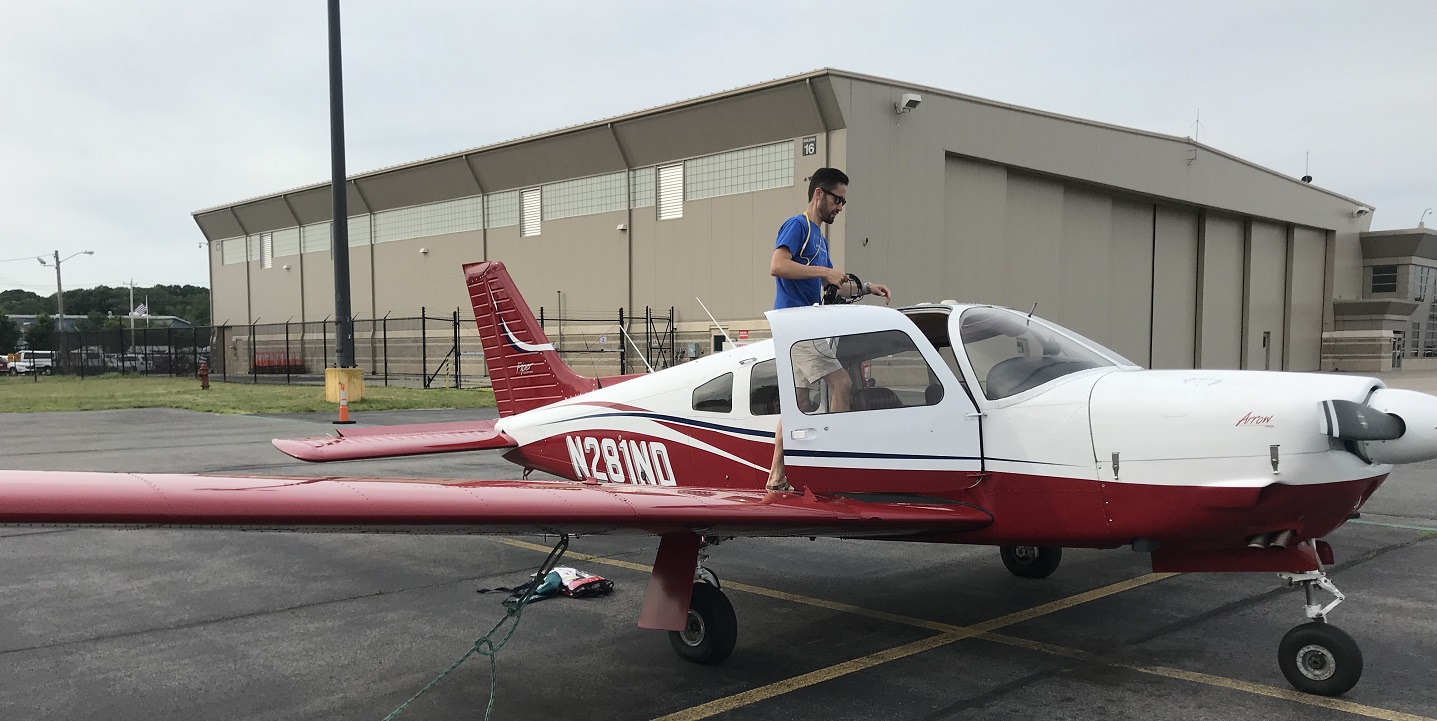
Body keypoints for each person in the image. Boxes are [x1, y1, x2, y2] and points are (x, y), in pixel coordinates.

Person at [765, 167, 891, 491]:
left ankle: (776, 477)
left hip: (805, 328)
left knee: (801, 405)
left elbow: (835, 283)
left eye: (844, 203)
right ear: (819, 194)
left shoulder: (819, 239)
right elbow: (777, 265)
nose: (839, 207)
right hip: (795, 327)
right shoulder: (799, 226)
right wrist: (825, 271)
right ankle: (835, 466)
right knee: (842, 383)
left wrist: (868, 288)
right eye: (838, 199)